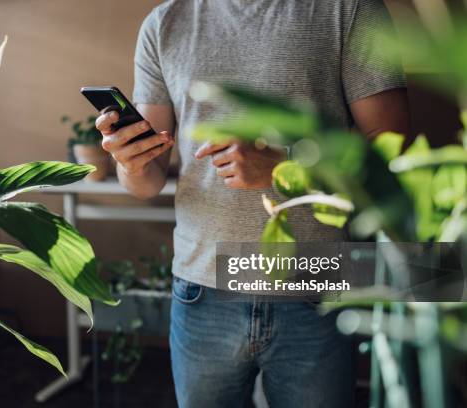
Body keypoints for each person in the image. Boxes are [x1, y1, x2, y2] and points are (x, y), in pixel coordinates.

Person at [95, 1, 409, 407]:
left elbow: (393, 153)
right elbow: (146, 181)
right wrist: (129, 161)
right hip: (201, 287)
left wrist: (288, 165)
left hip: (313, 281)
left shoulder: (347, 9)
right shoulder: (164, 22)